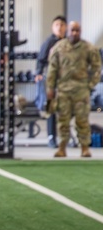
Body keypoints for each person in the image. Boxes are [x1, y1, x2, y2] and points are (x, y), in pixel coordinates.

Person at [46, 20, 102, 158]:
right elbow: (52, 69)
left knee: (82, 120)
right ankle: (62, 147)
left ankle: (84, 147)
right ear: (68, 31)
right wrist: (50, 88)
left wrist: (90, 84)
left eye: (77, 30)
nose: (75, 33)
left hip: (81, 91)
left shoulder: (88, 48)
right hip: (63, 90)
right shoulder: (59, 47)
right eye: (72, 30)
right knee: (63, 120)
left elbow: (97, 67)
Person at [35, 15, 66, 148]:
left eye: (62, 25)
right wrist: (38, 73)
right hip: (52, 82)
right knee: (51, 110)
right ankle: (51, 137)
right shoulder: (49, 42)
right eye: (57, 25)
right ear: (53, 27)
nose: (59, 27)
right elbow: (41, 60)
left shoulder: (68, 42)